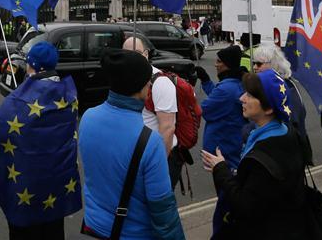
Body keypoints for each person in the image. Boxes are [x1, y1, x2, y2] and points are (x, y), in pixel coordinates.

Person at [79, 49, 184, 240]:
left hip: (94, 225)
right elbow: (163, 211)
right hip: (133, 233)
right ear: (141, 87)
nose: (150, 85)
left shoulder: (88, 117)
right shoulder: (150, 141)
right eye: (148, 81)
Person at [0, 42, 81, 239]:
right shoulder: (69, 95)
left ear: (31, 66)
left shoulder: (18, 101)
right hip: (55, 188)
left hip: (26, 192)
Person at [201, 69, 313, 239]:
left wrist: (221, 170)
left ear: (268, 108)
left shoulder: (262, 156)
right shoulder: (285, 130)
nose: (241, 98)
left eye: (250, 96)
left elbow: (245, 206)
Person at [194, 44, 244, 236]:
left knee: (226, 199)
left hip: (225, 152)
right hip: (230, 147)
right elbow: (219, 95)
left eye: (219, 61)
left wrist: (187, 94)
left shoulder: (227, 89)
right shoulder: (232, 84)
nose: (215, 64)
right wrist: (206, 81)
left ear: (228, 65)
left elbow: (204, 109)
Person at [122, 36, 184, 189]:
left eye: (137, 52)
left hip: (158, 159)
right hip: (135, 158)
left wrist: (158, 169)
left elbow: (168, 128)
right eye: (127, 53)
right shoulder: (125, 79)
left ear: (146, 54)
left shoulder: (160, 82)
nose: (133, 57)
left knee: (158, 209)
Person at [251, 44, 313, 165]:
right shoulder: (278, 85)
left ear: (273, 64)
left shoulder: (285, 88)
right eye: (254, 63)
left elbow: (290, 123)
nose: (254, 67)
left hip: (286, 157)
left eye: (259, 64)